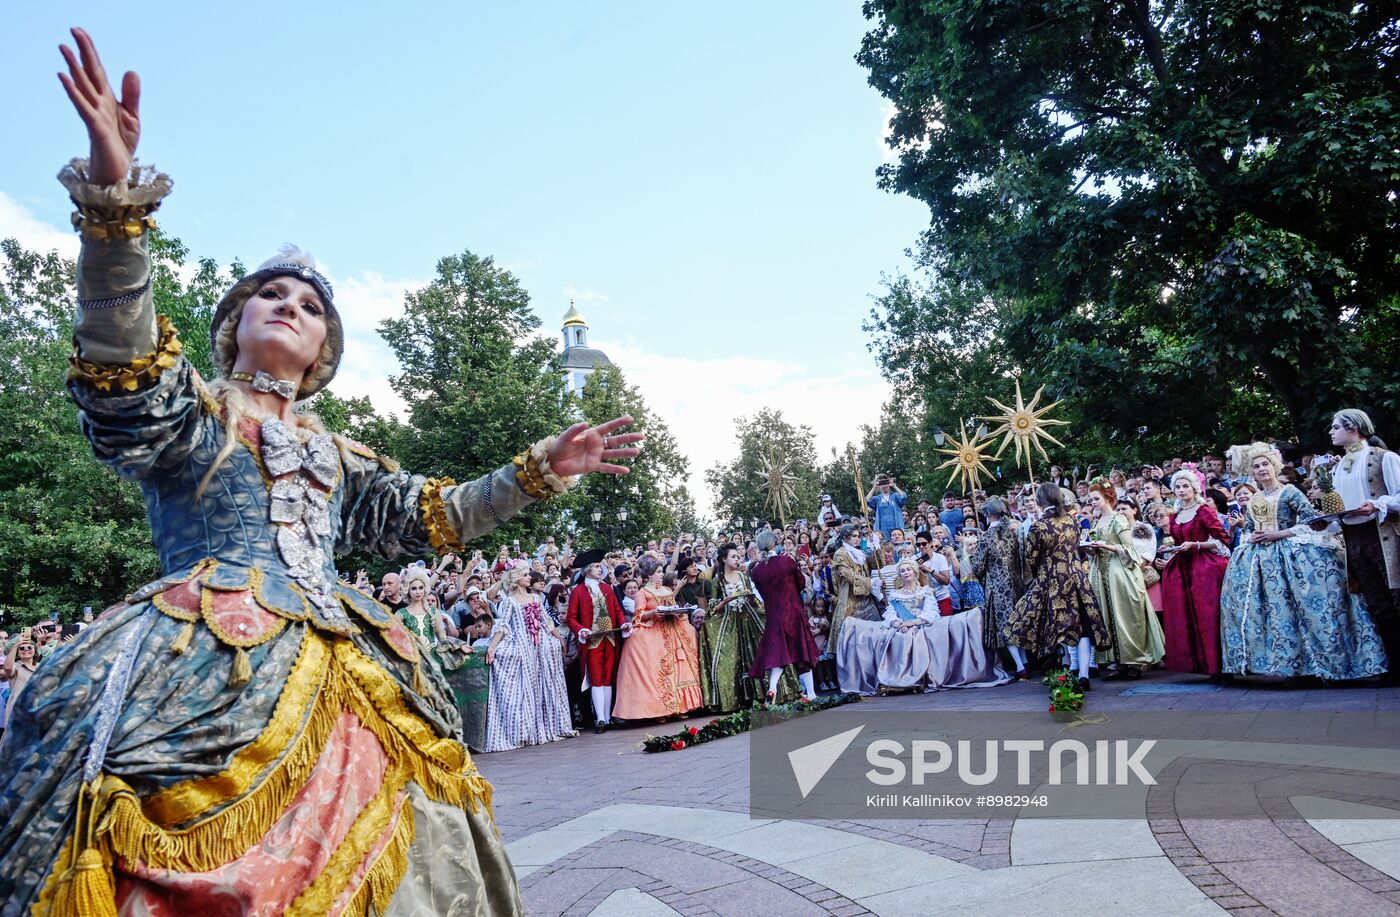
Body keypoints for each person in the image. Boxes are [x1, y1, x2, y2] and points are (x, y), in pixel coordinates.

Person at [0, 30, 644, 916]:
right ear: (233, 326)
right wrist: (116, 213)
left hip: (347, 657)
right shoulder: (193, 414)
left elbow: (438, 514)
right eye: (270, 295)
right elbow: (122, 361)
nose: (289, 306)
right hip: (205, 668)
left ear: (321, 356)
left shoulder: (343, 456)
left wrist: (539, 469)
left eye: (309, 306)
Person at [1220, 442, 1388, 681]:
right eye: (1256, 466)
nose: (1261, 469)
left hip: (1289, 555)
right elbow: (1248, 527)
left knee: (1298, 608)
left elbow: (1312, 522)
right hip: (1258, 558)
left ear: (1274, 465)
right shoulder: (1255, 497)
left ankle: (1311, 666)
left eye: (1265, 464)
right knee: (1273, 612)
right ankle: (1282, 664)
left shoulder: (1290, 492)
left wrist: (1279, 533)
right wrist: (1252, 536)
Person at [1006, 483, 1109, 689]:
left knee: (1047, 624)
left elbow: (1031, 557)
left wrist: (1040, 571)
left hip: (1051, 580)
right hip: (1076, 578)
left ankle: (1059, 669)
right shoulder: (1072, 521)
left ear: (1040, 501)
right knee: (1082, 627)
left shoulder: (1039, 526)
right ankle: (1083, 674)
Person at [1329, 409, 1400, 676]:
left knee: (1396, 596)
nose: (1331, 432)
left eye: (1336, 427)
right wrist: (1326, 523)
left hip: (1382, 534)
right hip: (1354, 537)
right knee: (1377, 602)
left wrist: (1378, 504)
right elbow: (1341, 508)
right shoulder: (1338, 467)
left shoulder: (1384, 458)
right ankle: (1395, 667)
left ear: (1354, 428)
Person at [482, 566, 576, 751]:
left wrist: (559, 639)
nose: (529, 578)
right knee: (526, 687)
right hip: (523, 645)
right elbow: (504, 626)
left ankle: (548, 726)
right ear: (517, 579)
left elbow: (547, 622)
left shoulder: (536, 598)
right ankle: (526, 730)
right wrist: (492, 648)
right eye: (525, 575)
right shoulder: (510, 602)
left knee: (542, 686)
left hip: (540, 647)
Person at [699, 544, 795, 711]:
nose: (737, 559)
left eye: (738, 556)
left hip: (749, 617)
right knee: (731, 657)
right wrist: (726, 600)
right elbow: (714, 607)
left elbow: (754, 600)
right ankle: (738, 699)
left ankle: (767, 692)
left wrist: (750, 597)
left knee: (763, 650)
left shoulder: (743, 577)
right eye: (733, 556)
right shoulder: (716, 581)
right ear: (724, 559)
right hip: (730, 620)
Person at [1084, 482, 1166, 679]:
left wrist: (1107, 546)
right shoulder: (1096, 522)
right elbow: (1094, 553)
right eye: (1091, 499)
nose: (1093, 502)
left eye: (1096, 498)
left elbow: (1130, 549)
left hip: (1120, 572)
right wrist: (1088, 548)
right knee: (1108, 616)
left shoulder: (1118, 519)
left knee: (1125, 616)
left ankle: (1135, 661)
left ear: (1107, 498)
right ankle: (1118, 662)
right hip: (1101, 572)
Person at [1157, 466, 1231, 677]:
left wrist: (1196, 545)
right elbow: (1179, 542)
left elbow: (1222, 540)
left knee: (1208, 614)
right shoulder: (1175, 515)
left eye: (1185, 486)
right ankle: (1199, 664)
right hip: (1183, 568)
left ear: (1194, 488)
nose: (1181, 490)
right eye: (1177, 487)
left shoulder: (1203, 511)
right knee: (1187, 616)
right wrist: (1169, 549)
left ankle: (1218, 666)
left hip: (1204, 568)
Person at [613, 556, 703, 720]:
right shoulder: (643, 592)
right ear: (650, 574)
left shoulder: (667, 590)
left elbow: (673, 606)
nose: (662, 575)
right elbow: (638, 616)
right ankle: (660, 710)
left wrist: (678, 611)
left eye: (661, 572)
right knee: (659, 669)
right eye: (659, 572)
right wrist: (654, 612)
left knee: (680, 669)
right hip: (655, 631)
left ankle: (680, 707)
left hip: (673, 630)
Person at [748, 530, 820, 702]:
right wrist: (792, 564)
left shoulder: (757, 571)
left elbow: (762, 594)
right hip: (793, 613)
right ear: (774, 543)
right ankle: (811, 693)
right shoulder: (786, 561)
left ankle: (772, 688)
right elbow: (801, 583)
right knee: (801, 653)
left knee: (779, 655)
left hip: (774, 617)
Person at [566, 550, 630, 733]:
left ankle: (607, 718)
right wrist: (581, 630)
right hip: (592, 640)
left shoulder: (608, 588)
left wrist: (623, 624)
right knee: (596, 678)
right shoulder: (578, 591)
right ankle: (600, 718)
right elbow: (571, 618)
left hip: (610, 638)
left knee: (608, 678)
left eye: (600, 566)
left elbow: (617, 610)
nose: (600, 569)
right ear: (587, 570)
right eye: (596, 566)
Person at [972, 498, 1026, 678]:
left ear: (988, 514)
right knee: (1017, 622)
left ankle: (1020, 667)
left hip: (997, 586)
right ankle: (1025, 662)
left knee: (1005, 625)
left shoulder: (986, 537)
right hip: (1016, 583)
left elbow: (977, 566)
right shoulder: (1012, 534)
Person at [866, 475, 908, 540]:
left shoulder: (895, 496)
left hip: (896, 526)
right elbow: (867, 500)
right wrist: (874, 487)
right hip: (883, 528)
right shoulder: (877, 499)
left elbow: (904, 497)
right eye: (882, 484)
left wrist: (894, 486)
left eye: (886, 483)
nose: (884, 486)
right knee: (885, 544)